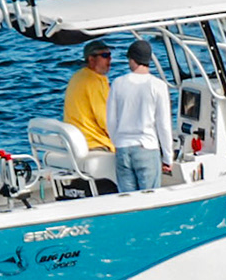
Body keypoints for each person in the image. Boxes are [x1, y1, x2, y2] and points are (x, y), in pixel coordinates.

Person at [105, 38, 173, 192]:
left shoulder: (117, 83)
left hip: (123, 148)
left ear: (132, 59)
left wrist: (117, 142)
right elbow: (163, 125)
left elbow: (110, 121)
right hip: (147, 148)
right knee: (150, 199)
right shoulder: (158, 85)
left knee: (128, 199)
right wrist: (168, 157)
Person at [62, 39, 115, 155]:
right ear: (91, 59)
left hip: (76, 141)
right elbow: (105, 120)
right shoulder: (94, 81)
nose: (110, 59)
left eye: (110, 55)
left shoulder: (77, 76)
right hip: (94, 143)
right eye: (105, 55)